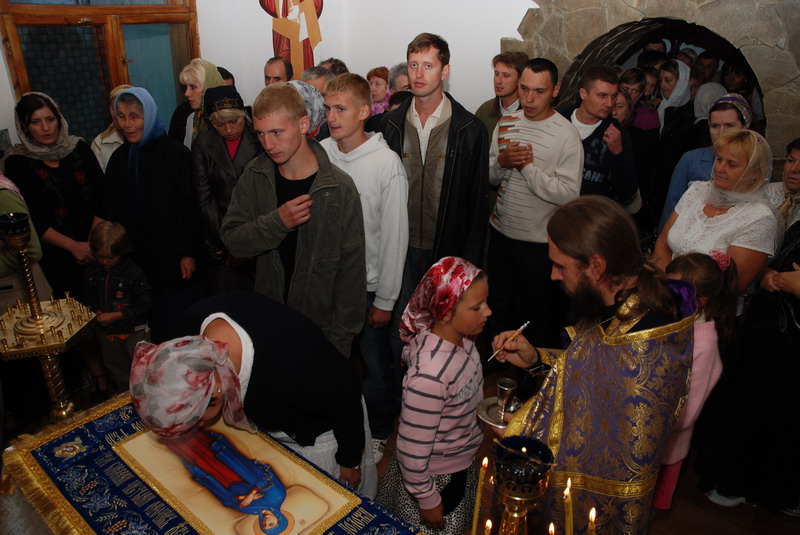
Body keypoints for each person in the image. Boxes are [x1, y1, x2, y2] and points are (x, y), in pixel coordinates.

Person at [493, 195, 696, 534]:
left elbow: (593, 439)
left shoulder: (644, 348)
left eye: (560, 266)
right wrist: (536, 359)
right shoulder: (623, 302)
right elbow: (586, 371)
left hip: (594, 510)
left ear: (597, 267)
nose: (553, 275)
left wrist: (521, 428)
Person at [130, 290, 377, 498]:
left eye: (196, 421)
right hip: (288, 412)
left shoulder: (292, 366)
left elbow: (346, 404)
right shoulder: (196, 324)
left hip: (322, 432)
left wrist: (349, 461)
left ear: (214, 393)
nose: (201, 426)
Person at [220, 83, 366, 358]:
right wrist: (278, 223)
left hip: (321, 334)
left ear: (303, 124)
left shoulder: (339, 188)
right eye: (260, 134)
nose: (268, 144)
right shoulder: (255, 176)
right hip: (267, 326)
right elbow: (233, 241)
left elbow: (352, 275)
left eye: (276, 132)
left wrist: (340, 344)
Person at [701, 137, 800, 514]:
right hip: (762, 317)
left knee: (777, 412)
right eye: (790, 160)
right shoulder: (770, 196)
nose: (793, 170)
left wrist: (786, 280)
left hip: (788, 330)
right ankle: (732, 476)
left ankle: (765, 487)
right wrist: (772, 276)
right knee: (743, 402)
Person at [320, 73, 408, 464]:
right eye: (327, 108)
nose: (331, 117)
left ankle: (380, 429)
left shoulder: (385, 164)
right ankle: (334, 422)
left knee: (374, 364)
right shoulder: (320, 152)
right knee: (331, 360)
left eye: (340, 109)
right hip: (329, 282)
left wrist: (386, 299)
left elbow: (394, 236)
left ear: (363, 111)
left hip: (369, 287)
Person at [376, 257, 488, 534]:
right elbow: (411, 451)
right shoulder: (430, 378)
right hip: (436, 478)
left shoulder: (464, 340)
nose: (488, 311)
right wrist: (428, 500)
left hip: (461, 459)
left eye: (486, 302)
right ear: (446, 313)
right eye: (477, 307)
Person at [487, 58, 583, 349]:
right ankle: (495, 363)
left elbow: (569, 195)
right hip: (500, 234)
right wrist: (502, 162)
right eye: (524, 88)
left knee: (536, 316)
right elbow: (490, 177)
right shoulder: (506, 123)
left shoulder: (566, 134)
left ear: (555, 90)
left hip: (539, 245)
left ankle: (533, 371)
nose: (529, 98)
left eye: (539, 91)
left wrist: (527, 169)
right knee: (497, 308)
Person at [101, 87, 203, 342]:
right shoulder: (120, 158)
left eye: (135, 116)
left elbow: (189, 207)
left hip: (172, 259)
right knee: (148, 329)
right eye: (121, 116)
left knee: (178, 326)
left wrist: (188, 253)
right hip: (136, 260)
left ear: (149, 115)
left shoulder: (175, 154)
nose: (127, 124)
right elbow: (111, 209)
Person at [652, 252, 735, 510]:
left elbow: (689, 410)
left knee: (650, 502)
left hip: (666, 441)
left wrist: (652, 419)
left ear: (700, 301)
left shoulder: (704, 344)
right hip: (646, 429)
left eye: (674, 293)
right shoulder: (673, 320)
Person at [3, 92, 103, 297]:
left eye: (50, 119)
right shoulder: (16, 162)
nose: (46, 128)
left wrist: (93, 242)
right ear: (24, 126)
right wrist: (73, 247)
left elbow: (104, 195)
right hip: (55, 257)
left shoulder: (78, 148)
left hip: (98, 247)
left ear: (59, 118)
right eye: (35, 122)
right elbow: (31, 217)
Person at [654, 129, 777, 296]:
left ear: (754, 173)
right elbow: (663, 243)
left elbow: (731, 286)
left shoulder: (759, 218)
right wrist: (665, 288)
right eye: (719, 159)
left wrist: (681, 298)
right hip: (664, 294)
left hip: (709, 307)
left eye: (731, 164)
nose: (720, 168)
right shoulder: (696, 192)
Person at [191, 85, 261, 294]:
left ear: (244, 115)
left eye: (234, 121)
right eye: (219, 124)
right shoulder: (203, 143)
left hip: (257, 236)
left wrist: (247, 243)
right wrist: (230, 242)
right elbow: (204, 200)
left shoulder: (260, 138)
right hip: (220, 238)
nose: (229, 130)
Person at [164, 429, 293, 534]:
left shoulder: (252, 511)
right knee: (206, 449)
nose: (266, 522)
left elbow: (228, 502)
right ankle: (182, 429)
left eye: (264, 526)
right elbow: (266, 477)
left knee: (199, 460)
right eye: (271, 524)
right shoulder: (279, 497)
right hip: (238, 470)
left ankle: (173, 438)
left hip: (223, 482)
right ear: (279, 519)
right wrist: (251, 494)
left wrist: (242, 497)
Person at [658, 93, 753, 230]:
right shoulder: (691, 160)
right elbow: (671, 208)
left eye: (729, 125)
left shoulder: (754, 161)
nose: (721, 132)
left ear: (745, 127)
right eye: (715, 126)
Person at [83, 221, 151, 392]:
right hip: (108, 334)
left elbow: (145, 303)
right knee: (116, 368)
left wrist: (119, 315)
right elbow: (88, 298)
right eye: (100, 256)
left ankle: (147, 400)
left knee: (143, 370)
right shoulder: (92, 272)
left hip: (135, 332)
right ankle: (124, 401)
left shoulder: (134, 273)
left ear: (121, 251)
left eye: (110, 257)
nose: (105, 261)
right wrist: (97, 311)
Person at [559, 65, 639, 211]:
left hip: (588, 214)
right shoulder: (559, 120)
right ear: (583, 93)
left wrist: (619, 154)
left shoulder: (617, 133)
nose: (609, 103)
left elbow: (626, 193)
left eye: (613, 96)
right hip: (550, 210)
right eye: (602, 96)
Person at [170, 58, 225, 148]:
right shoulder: (192, 119)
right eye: (186, 87)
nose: (187, 93)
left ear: (208, 87)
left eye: (193, 87)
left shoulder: (230, 120)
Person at [474, 51, 529, 140]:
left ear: (520, 80)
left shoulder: (530, 111)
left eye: (506, 75)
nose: (498, 81)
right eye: (496, 74)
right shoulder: (484, 111)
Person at [91, 84, 133, 172]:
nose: (120, 113)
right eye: (115, 108)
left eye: (127, 107)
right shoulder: (100, 143)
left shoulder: (147, 137)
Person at [721, 61, 765, 134]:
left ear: (745, 77)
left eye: (737, 75)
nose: (731, 79)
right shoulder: (720, 92)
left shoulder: (754, 95)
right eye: (728, 74)